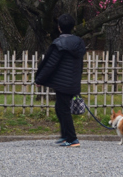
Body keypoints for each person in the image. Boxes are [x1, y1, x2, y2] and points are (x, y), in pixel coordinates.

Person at [35, 14, 86, 148]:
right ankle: (65, 135)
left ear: (59, 28)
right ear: (73, 27)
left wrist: (39, 79)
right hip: (73, 80)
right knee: (60, 108)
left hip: (63, 83)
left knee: (63, 110)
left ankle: (72, 138)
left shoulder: (59, 43)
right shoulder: (79, 43)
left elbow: (50, 64)